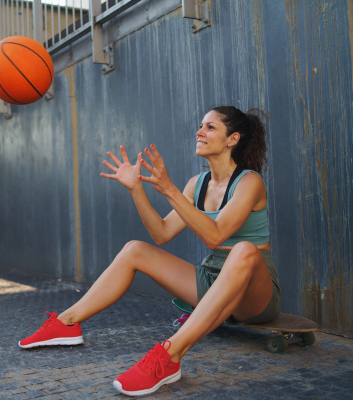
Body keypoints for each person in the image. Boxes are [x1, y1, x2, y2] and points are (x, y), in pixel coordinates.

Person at [18, 106, 281, 396]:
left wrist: (169, 190)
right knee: (134, 250)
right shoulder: (198, 184)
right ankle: (67, 322)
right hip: (212, 280)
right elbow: (162, 233)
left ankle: (169, 357)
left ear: (232, 139)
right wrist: (136, 189)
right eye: (200, 126)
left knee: (243, 250)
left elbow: (214, 237)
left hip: (254, 294)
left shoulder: (250, 182)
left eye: (210, 127)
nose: (199, 132)